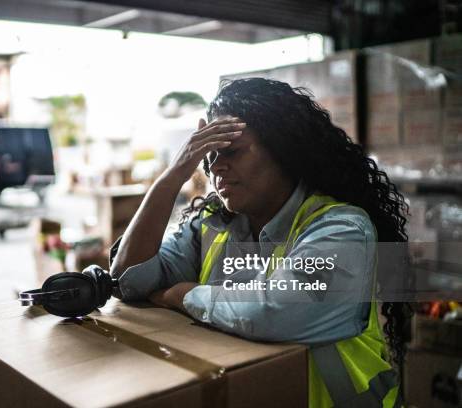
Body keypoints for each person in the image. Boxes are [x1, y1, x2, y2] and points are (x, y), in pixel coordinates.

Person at [109, 78, 409, 408]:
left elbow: (274, 311)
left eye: (232, 151)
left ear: (284, 148)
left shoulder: (342, 228)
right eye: (208, 157)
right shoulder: (211, 226)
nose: (215, 167)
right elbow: (130, 279)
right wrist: (173, 176)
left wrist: (181, 294)